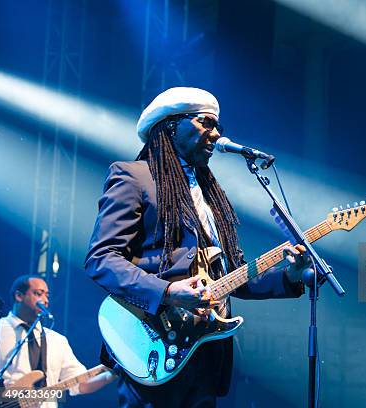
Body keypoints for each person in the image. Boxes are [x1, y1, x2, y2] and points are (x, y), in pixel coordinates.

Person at [85, 87, 308, 407]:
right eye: (206, 123)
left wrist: (290, 276)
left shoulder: (212, 193)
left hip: (204, 348)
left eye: (218, 126)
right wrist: (168, 292)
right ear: (171, 126)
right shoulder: (133, 177)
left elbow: (235, 277)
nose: (215, 134)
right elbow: (101, 258)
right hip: (152, 341)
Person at [0, 275, 115, 407]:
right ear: (19, 296)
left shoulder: (57, 340)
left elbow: (81, 385)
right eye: (38, 294)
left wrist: (112, 373)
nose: (45, 300)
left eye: (47, 295)